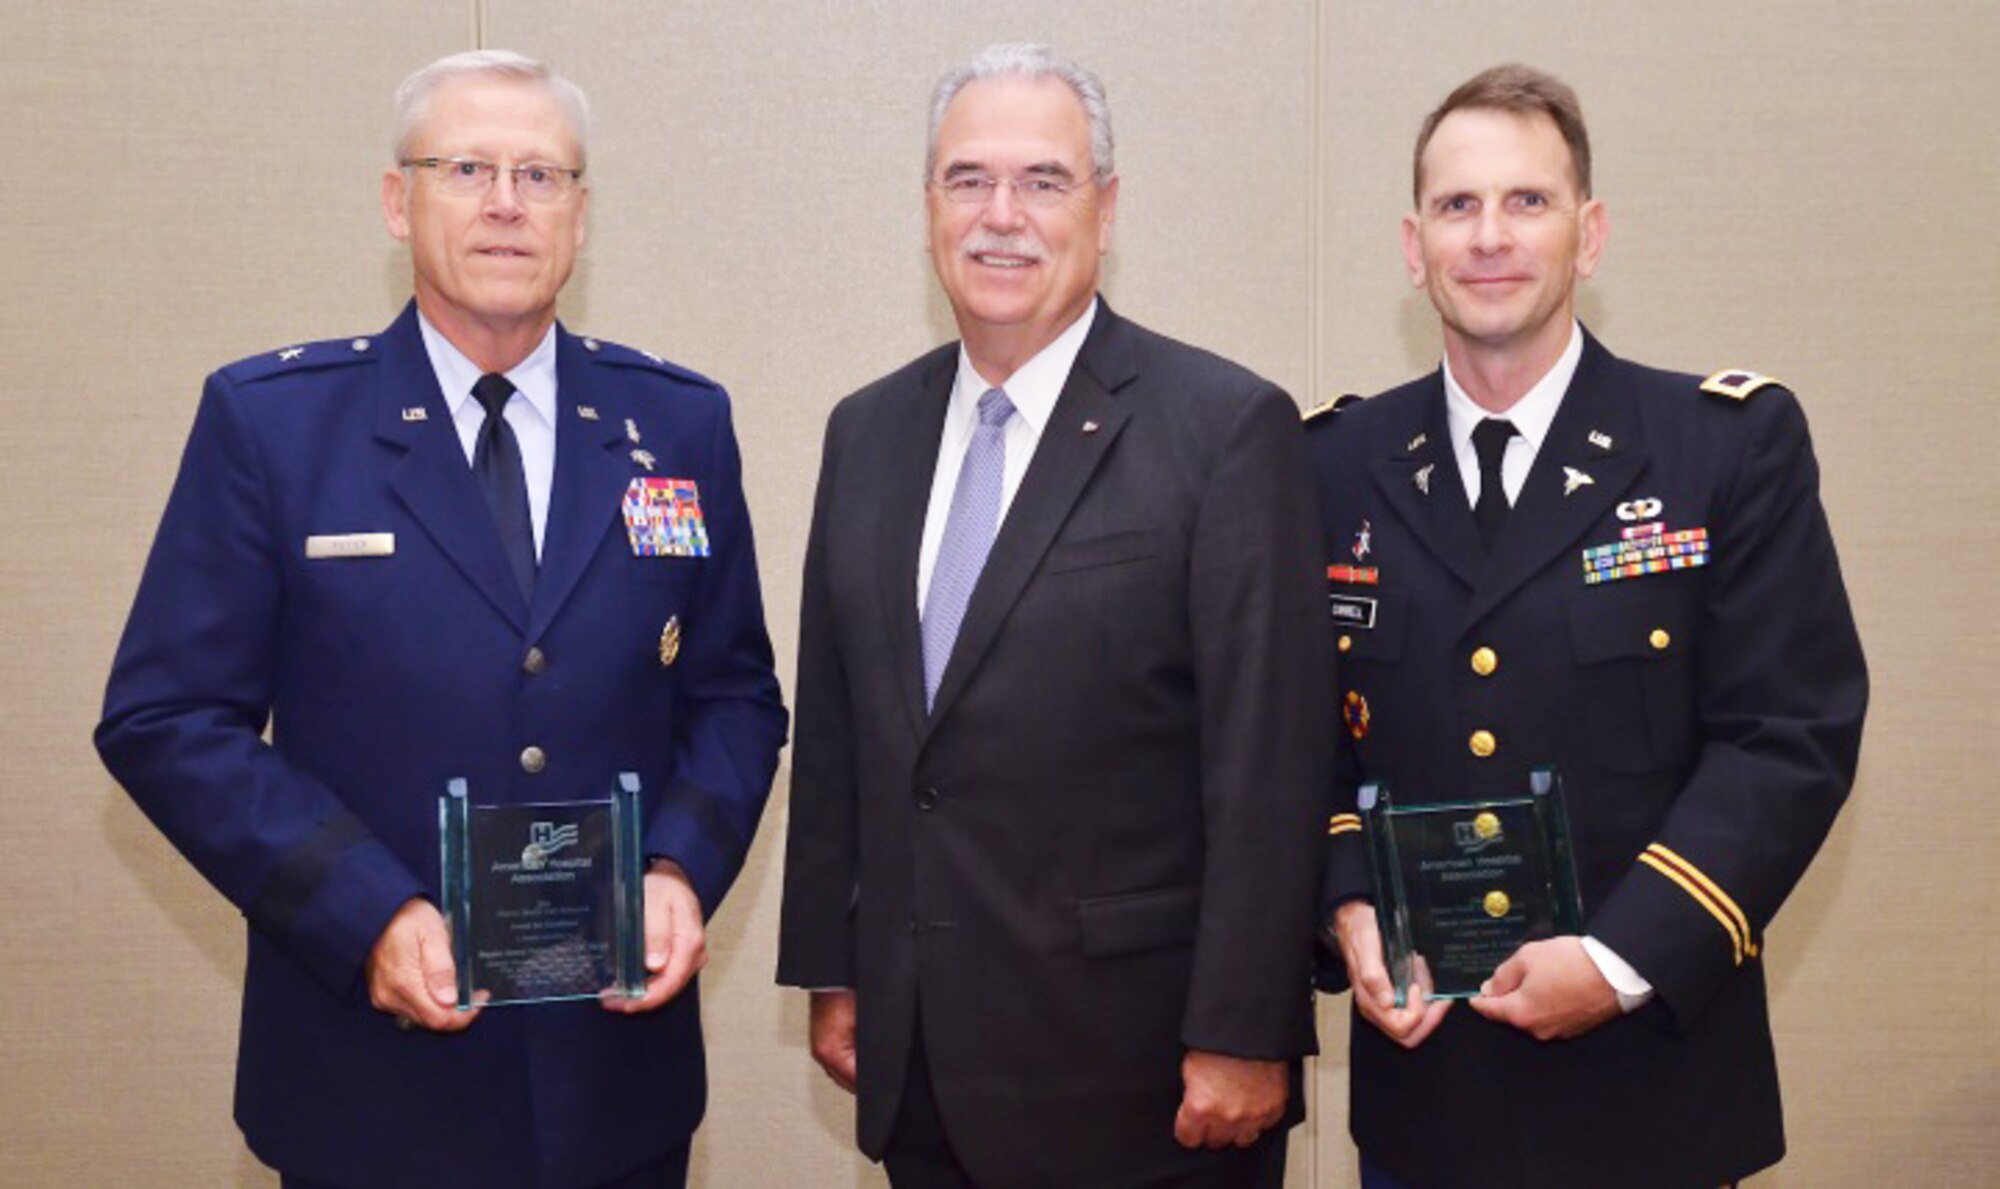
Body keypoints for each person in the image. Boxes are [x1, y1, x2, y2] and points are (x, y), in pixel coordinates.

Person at [95, 50, 785, 1188]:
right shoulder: (274, 427)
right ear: (395, 199)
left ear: (581, 212)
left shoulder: (676, 426)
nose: (507, 203)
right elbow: (167, 718)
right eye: (466, 167)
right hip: (369, 1079)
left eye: (541, 175)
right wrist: (361, 907)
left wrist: (677, 870)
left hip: (613, 1082)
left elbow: (732, 696)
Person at [776, 43, 1328, 1189]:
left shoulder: (1223, 429)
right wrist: (835, 966)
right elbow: (840, 731)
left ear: (1106, 207)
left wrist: (1243, 1027)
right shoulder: (865, 432)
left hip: (1142, 1081)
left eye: (1042, 180)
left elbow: (1268, 762)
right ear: (927, 206)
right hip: (918, 1060)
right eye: (967, 179)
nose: (1001, 216)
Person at [1307, 64, 1868, 1188]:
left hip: (1647, 1091)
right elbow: (1298, 740)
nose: (1489, 237)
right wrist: (1347, 902)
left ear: (1589, 233)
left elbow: (1786, 736)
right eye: (1456, 206)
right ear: (1412, 248)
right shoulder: (1331, 464)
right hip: (1427, 1104)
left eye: (1528, 201)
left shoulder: (1721, 447)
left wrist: (1616, 961)